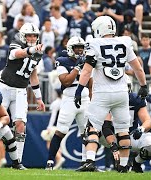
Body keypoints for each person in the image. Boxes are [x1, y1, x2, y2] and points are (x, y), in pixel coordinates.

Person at [74, 16, 147, 172]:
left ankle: (90, 161)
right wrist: (143, 85)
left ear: (100, 28)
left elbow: (87, 71)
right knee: (123, 130)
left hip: (102, 92)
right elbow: (138, 68)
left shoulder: (94, 44)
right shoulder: (125, 42)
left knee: (92, 127)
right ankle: (123, 165)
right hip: (121, 93)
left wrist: (79, 90)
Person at [0, 22, 46, 162]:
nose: (32, 38)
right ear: (23, 36)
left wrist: (39, 98)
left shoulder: (37, 51)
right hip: (4, 88)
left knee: (20, 125)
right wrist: (31, 50)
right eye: (29, 35)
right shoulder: (16, 43)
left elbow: (33, 74)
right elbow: (17, 54)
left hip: (21, 90)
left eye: (34, 35)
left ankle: (17, 161)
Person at [46, 37, 90, 170]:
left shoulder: (88, 60)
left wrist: (93, 99)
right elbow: (66, 81)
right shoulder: (62, 61)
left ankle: (86, 162)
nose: (80, 50)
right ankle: (50, 162)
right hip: (69, 98)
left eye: (81, 47)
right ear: (70, 48)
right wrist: (77, 68)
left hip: (85, 98)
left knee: (87, 132)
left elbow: (91, 81)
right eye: (77, 47)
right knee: (61, 131)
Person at [102, 75, 151, 173]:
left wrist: (141, 129)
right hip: (110, 135)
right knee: (90, 132)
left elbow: (148, 122)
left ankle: (136, 163)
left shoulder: (135, 99)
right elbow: (105, 125)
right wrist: (112, 143)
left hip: (130, 135)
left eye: (125, 87)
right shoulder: (109, 99)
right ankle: (89, 161)